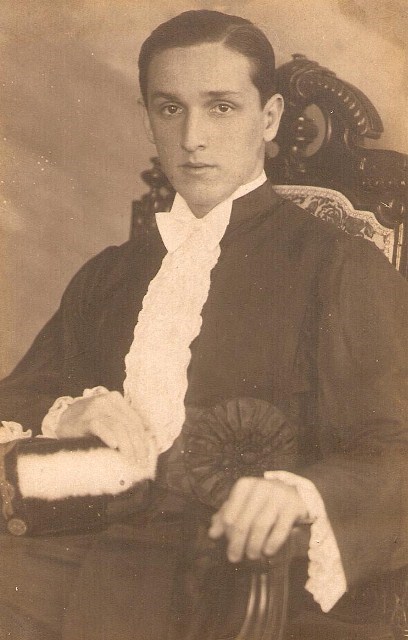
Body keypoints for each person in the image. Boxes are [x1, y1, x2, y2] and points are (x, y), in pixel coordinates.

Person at [0, 9, 407, 640]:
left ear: (268, 118)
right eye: (170, 109)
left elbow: (392, 449)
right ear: (148, 120)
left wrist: (298, 493)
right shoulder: (110, 274)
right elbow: (18, 399)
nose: (192, 137)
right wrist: (70, 412)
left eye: (221, 107)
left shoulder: (338, 267)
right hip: (89, 549)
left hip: (246, 577)